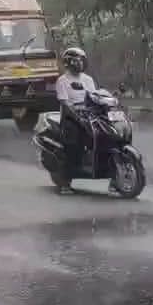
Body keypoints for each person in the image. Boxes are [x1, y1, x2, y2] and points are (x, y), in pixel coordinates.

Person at [54, 47, 96, 194]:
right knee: (73, 148)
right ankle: (65, 182)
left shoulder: (88, 80)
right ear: (69, 62)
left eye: (82, 60)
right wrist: (78, 117)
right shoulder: (62, 81)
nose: (80, 63)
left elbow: (95, 97)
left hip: (88, 116)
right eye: (77, 60)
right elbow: (65, 104)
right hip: (71, 119)